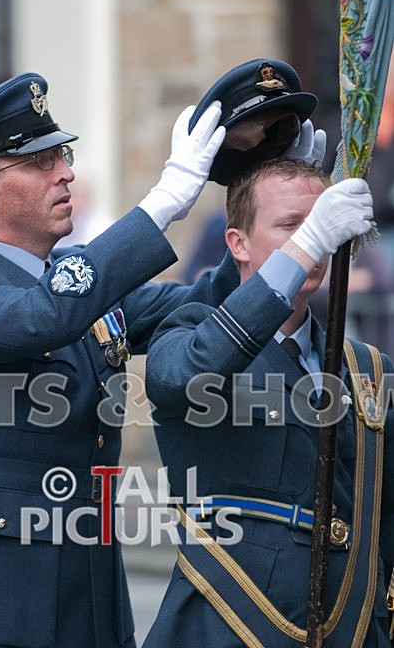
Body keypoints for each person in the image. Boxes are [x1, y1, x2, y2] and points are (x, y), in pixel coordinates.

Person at [0, 62, 323, 648]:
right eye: (40, 161)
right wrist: (163, 203)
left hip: (89, 593)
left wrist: (273, 214)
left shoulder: (83, 292)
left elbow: (207, 302)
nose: (65, 172)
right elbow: (47, 314)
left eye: (62, 154)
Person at [144, 157, 394, 647]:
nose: (313, 241)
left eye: (319, 223)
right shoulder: (188, 336)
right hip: (232, 624)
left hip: (350, 628)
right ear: (238, 244)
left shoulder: (368, 368)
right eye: (289, 225)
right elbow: (188, 374)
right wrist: (304, 247)